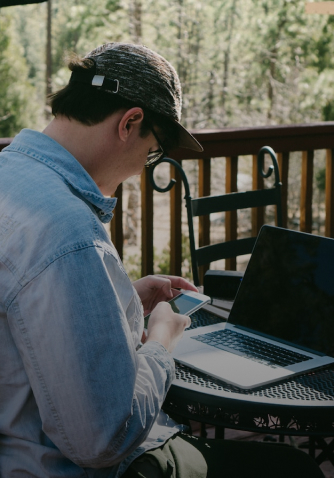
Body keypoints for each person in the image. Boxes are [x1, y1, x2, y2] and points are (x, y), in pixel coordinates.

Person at [0, 42, 325, 478]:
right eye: (153, 151)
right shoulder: (70, 232)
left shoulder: (11, 177)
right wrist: (162, 342)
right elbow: (104, 438)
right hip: (71, 467)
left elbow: (23, 318)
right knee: (291, 468)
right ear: (130, 122)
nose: (142, 169)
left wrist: (119, 298)